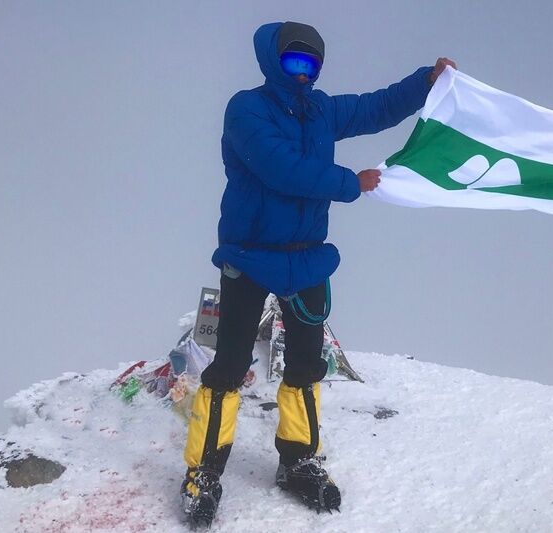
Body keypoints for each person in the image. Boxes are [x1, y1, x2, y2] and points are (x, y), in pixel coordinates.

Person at [180, 20, 456, 526]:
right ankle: (204, 473)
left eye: (311, 64)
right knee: (229, 365)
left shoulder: (322, 110)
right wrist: (350, 182)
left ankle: (298, 462)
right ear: (272, 61)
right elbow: (277, 166)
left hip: (307, 258)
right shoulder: (246, 109)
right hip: (249, 256)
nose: (303, 73)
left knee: (307, 366)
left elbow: (375, 107)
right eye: (294, 62)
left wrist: (425, 83)